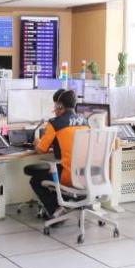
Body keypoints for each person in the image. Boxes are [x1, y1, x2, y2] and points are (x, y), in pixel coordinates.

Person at [30, 89, 88, 219]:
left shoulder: (55, 123)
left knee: (35, 180)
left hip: (68, 176)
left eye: (56, 105)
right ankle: (65, 204)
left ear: (60, 105)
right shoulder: (86, 121)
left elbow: (41, 150)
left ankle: (56, 210)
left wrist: (37, 142)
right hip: (86, 174)